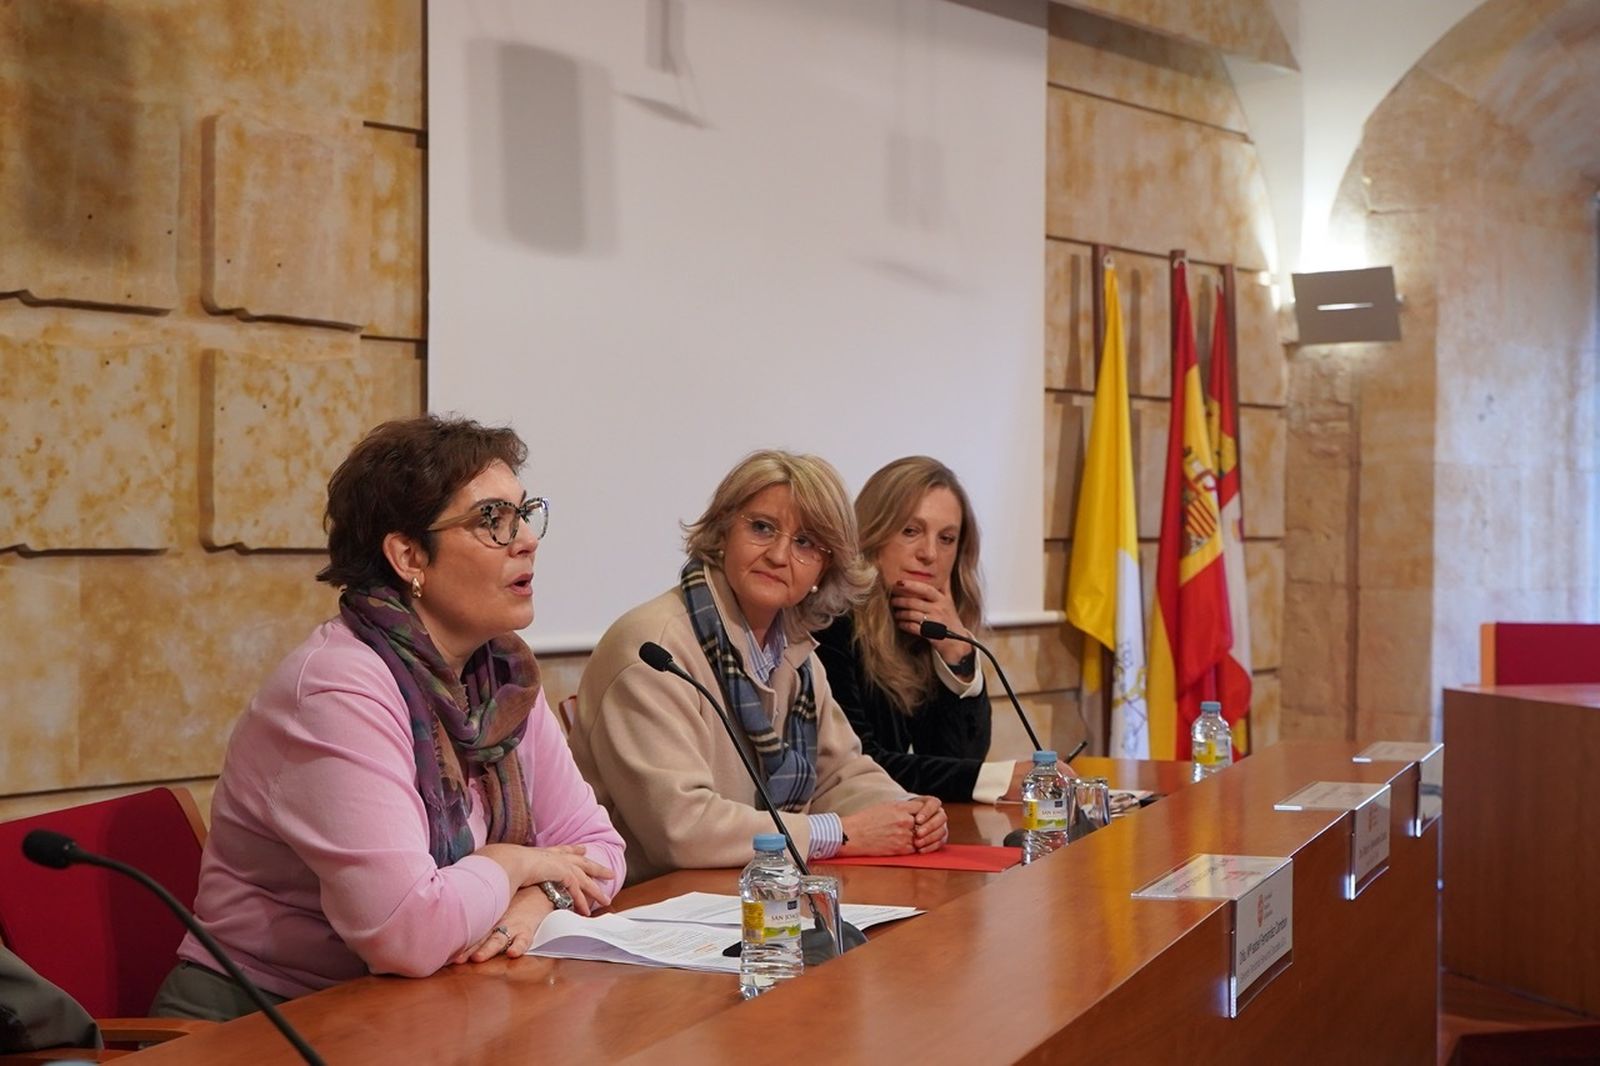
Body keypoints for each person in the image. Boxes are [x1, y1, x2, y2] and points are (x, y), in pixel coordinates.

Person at [152, 416, 625, 1021]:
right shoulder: (338, 689)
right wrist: (513, 864)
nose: (526, 539)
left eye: (524, 513)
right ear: (407, 556)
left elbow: (600, 848)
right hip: (265, 1020)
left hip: (426, 1006)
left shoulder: (498, 676)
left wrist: (538, 898)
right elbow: (405, 931)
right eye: (491, 521)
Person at [569, 450, 948, 885]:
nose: (780, 555)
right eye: (762, 528)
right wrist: (840, 833)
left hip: (751, 890)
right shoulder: (652, 647)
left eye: (806, 543)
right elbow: (682, 830)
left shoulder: (794, 648)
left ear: (826, 568)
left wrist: (907, 813)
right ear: (724, 530)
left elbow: (841, 773)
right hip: (648, 907)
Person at [816, 457, 1070, 803]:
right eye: (910, 531)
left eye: (947, 538)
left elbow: (958, 758)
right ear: (870, 536)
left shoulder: (928, 629)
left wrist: (958, 655)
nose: (929, 553)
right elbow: (861, 766)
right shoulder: (830, 625)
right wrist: (997, 778)